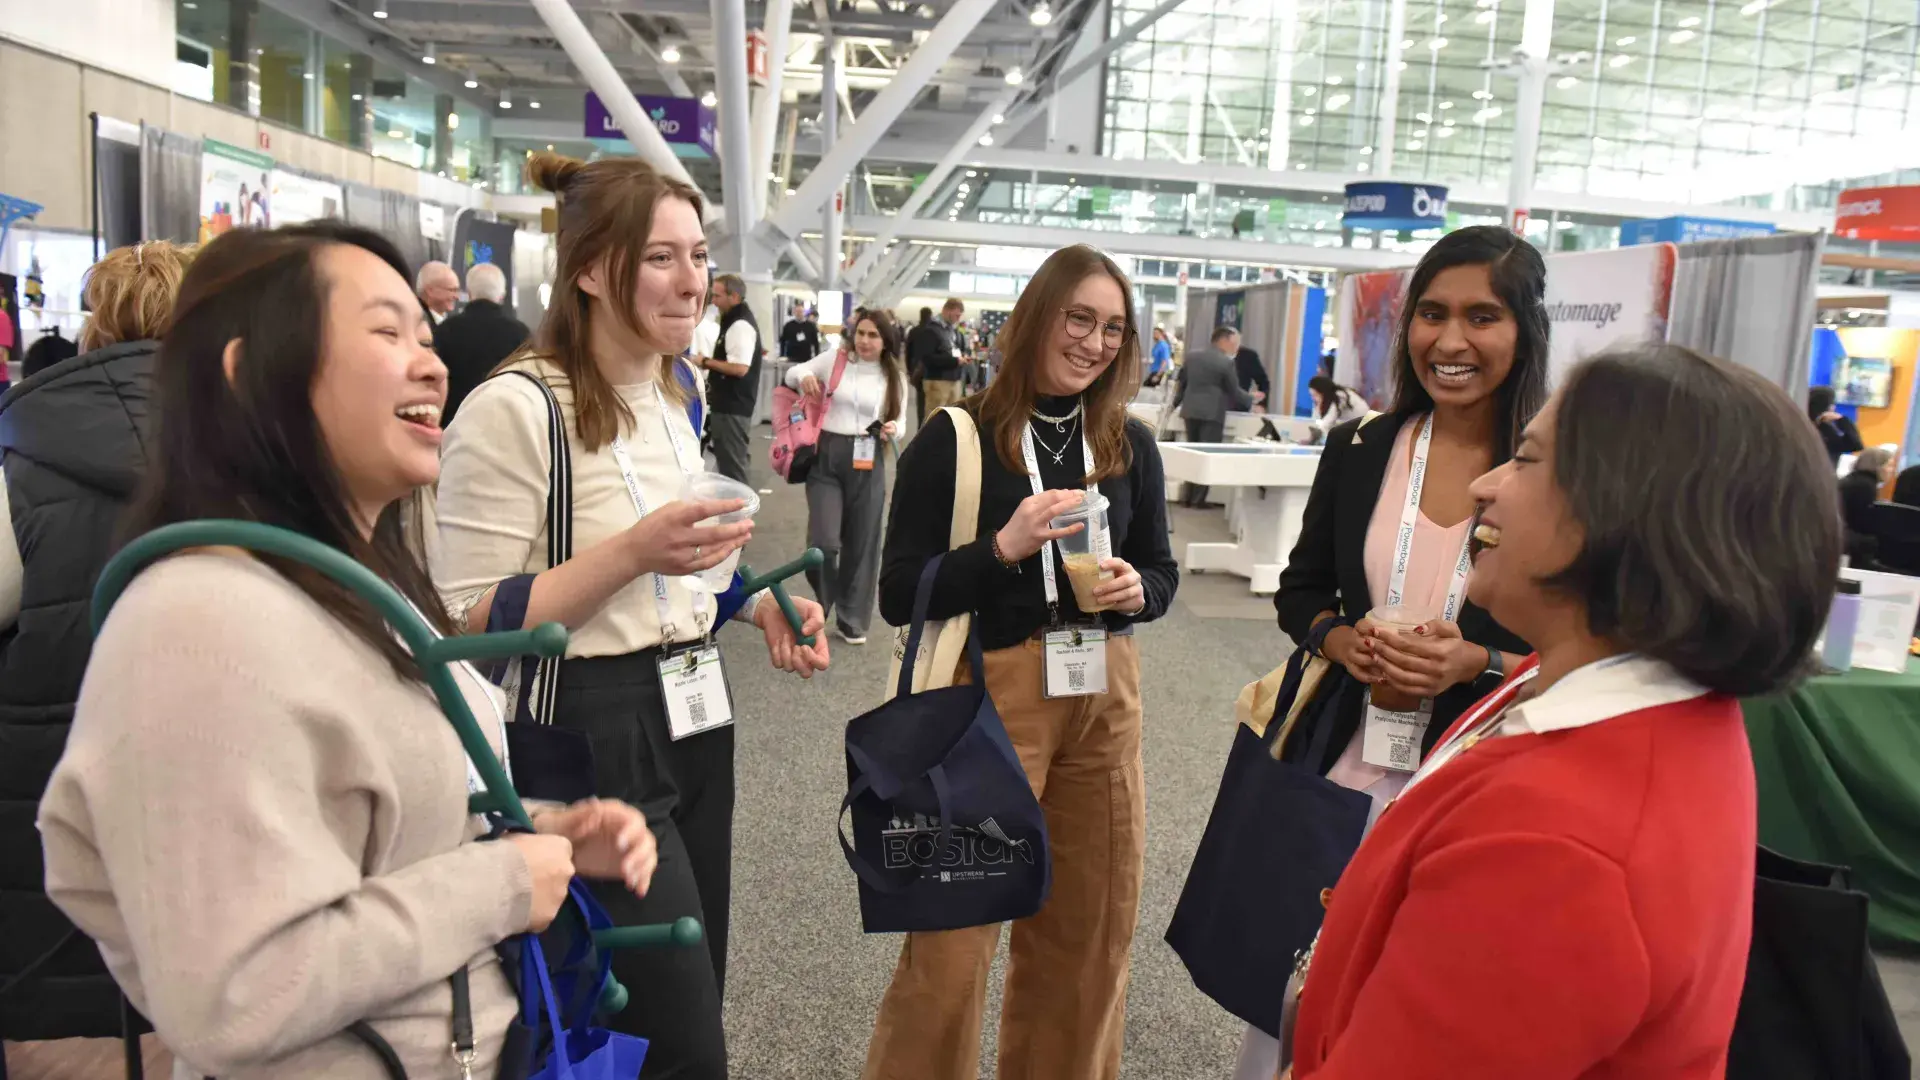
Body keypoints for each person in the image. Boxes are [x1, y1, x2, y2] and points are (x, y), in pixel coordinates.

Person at [36, 222, 661, 1079]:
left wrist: (537, 831)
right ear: (247, 372)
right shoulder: (197, 626)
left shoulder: (351, 589)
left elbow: (359, 837)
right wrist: (504, 884)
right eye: (385, 332)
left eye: (425, 335)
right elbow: (236, 992)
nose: (433, 364)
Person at [1288, 344, 1841, 1078]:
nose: (1485, 485)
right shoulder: (1612, 703)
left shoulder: (1556, 844)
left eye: (1523, 460)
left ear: (1616, 510)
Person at [432, 152, 830, 1080]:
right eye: (660, 258)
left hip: (695, 716)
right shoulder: (516, 408)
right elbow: (463, 622)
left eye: (696, 256)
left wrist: (751, 600)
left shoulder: (670, 391)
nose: (691, 280)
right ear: (586, 269)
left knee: (683, 1000)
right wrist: (631, 555)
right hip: (588, 733)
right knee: (667, 1034)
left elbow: (681, 569)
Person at [867, 244, 1179, 1080]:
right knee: (953, 941)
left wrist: (1135, 592)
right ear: (1039, 316)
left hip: (1105, 694)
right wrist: (1001, 550)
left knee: (1091, 931)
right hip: (989, 697)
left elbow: (1162, 572)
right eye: (1079, 318)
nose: (1094, 342)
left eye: (1114, 327)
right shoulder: (960, 437)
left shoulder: (1128, 445)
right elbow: (901, 591)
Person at [1242, 224, 1547, 1080]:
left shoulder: (1558, 473)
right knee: (1304, 981)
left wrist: (1476, 666)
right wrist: (1346, 641)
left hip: (1482, 774)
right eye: (1432, 314)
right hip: (1351, 756)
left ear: (1524, 331)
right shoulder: (1363, 447)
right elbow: (1300, 591)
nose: (1450, 342)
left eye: (1482, 316)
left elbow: (1587, 643)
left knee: (1433, 1004)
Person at [0, 240, 192, 1059]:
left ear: (91, 329)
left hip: (50, 844)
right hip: (220, 844)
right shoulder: (282, 460)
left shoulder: (15, 464)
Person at [785, 309, 907, 645]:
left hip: (869, 457)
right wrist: (803, 378)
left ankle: (853, 618)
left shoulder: (893, 376)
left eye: (873, 335)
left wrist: (893, 428)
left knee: (863, 544)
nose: (865, 341)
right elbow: (795, 371)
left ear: (885, 341)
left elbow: (901, 422)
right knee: (822, 544)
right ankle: (823, 602)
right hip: (826, 456)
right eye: (861, 333)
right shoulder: (835, 359)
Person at [434, 261, 531, 425]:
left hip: (454, 427)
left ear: (470, 293)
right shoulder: (521, 333)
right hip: (507, 424)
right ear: (502, 295)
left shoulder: (444, 330)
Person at [1173, 326, 1255, 507]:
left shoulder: (1192, 356)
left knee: (1191, 455)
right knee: (1207, 455)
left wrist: (1174, 405)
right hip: (1212, 413)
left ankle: (1187, 497)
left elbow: (1182, 385)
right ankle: (1198, 500)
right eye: (1235, 343)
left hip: (1190, 411)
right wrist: (1252, 401)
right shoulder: (1225, 363)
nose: (1236, 348)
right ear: (1223, 340)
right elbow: (1234, 391)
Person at [698, 273, 764, 485]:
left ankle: (742, 515)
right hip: (728, 407)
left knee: (733, 469)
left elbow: (740, 368)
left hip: (732, 409)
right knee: (728, 464)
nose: (713, 302)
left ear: (734, 296)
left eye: (717, 296)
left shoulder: (740, 325)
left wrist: (705, 361)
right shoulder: (734, 322)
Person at [908, 298, 966, 419]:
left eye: (960, 315)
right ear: (946, 310)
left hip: (954, 380)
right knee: (934, 418)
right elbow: (927, 359)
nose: (958, 318)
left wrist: (961, 358)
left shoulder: (952, 330)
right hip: (937, 381)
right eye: (956, 315)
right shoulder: (931, 330)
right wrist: (955, 361)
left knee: (951, 418)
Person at [1840, 446, 1895, 567]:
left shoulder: (1853, 480)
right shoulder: (1865, 486)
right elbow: (1861, 522)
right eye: (1889, 465)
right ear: (1878, 466)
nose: (1892, 470)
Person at [1808, 385, 1864, 466]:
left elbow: (1855, 445)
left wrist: (1842, 420)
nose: (1834, 408)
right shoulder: (1816, 429)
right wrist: (1842, 419)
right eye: (1832, 404)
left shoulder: (1825, 428)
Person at [1308, 373, 1369, 438]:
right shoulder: (1333, 398)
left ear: (1323, 392)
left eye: (1315, 395)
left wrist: (1317, 432)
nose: (1313, 398)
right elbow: (1319, 419)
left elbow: (1329, 420)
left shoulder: (1340, 396)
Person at [416, 260, 460, 325]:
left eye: (457, 291)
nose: (457, 297)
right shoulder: (416, 322)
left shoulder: (452, 323)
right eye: (452, 290)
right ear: (430, 291)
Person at [780, 302, 820, 367]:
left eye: (801, 311)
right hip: (791, 357)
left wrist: (817, 357)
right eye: (797, 311)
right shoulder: (788, 325)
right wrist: (781, 355)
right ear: (794, 312)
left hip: (806, 357)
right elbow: (783, 341)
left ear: (804, 312)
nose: (799, 314)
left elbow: (816, 343)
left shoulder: (811, 326)